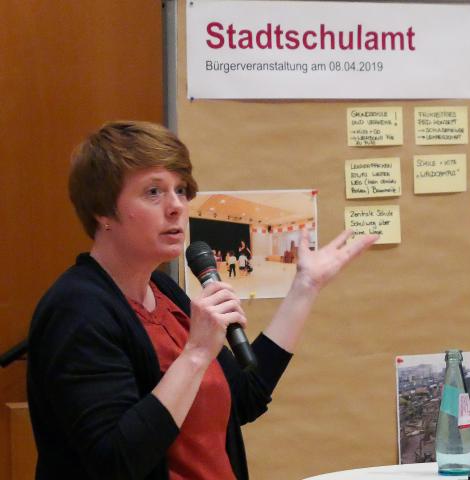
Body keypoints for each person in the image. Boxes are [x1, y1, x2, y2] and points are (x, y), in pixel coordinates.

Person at [27, 121, 377, 480]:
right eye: (153, 192)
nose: (176, 207)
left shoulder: (165, 292)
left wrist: (305, 288)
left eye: (181, 190)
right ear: (102, 211)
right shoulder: (77, 310)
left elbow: (245, 397)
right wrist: (195, 354)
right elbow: (115, 461)